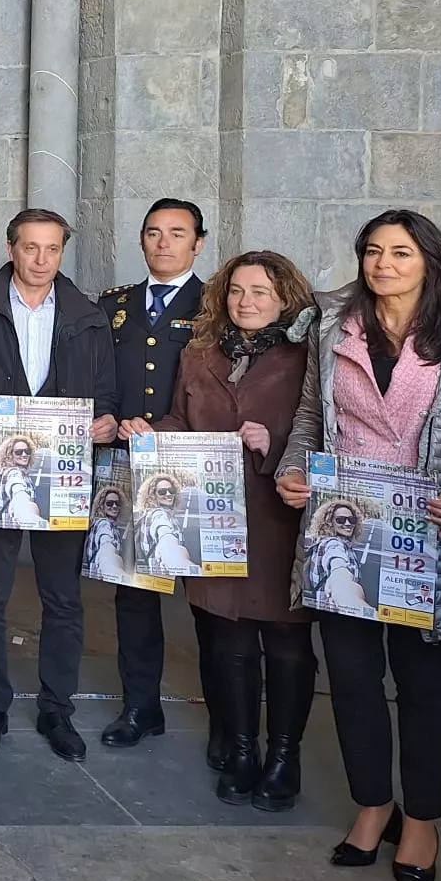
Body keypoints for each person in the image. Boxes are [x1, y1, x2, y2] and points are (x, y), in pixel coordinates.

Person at [277, 210, 441, 881]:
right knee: (350, 677)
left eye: (400, 253)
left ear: (431, 261)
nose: (383, 265)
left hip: (425, 529)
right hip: (345, 522)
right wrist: (295, 469)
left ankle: (424, 819)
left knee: (424, 683)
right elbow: (312, 417)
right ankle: (373, 806)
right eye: (373, 252)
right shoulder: (332, 322)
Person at [126, 249, 317, 808]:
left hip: (279, 517)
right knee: (226, 641)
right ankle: (239, 749)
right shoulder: (199, 354)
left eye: (260, 292)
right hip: (210, 520)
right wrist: (150, 431)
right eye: (237, 291)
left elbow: (330, 434)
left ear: (285, 298)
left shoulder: (309, 357)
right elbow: (183, 423)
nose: (246, 302)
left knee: (287, 643)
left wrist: (276, 446)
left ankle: (284, 756)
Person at [0, 208, 117, 763]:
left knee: (63, 599)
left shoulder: (88, 318)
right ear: (11, 248)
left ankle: (57, 708)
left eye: (52, 249)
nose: (41, 259)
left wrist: (107, 422)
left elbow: (108, 393)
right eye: (31, 248)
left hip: (64, 477)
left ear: (62, 253)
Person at [98, 199, 208, 752]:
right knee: (134, 590)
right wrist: (109, 419)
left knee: (212, 600)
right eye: (153, 233)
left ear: (198, 244)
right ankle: (140, 706)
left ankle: (228, 722)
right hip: (128, 458)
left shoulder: (217, 304)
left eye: (177, 233)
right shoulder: (114, 304)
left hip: (194, 462)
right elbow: (99, 373)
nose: (164, 243)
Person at [132, 474, 193, 574]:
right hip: (164, 576)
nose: (168, 494)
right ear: (152, 495)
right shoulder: (158, 515)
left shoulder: (152, 513)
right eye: (162, 492)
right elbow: (165, 536)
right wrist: (174, 556)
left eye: (171, 490)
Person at [84, 482, 126, 577]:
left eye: (117, 503)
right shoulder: (104, 524)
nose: (114, 506)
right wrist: (113, 570)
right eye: (109, 503)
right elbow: (106, 544)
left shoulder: (106, 524)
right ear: (101, 506)